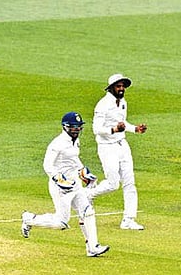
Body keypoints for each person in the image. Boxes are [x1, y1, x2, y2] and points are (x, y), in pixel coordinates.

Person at [21, 112, 110, 257]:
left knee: (87, 211)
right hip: (61, 188)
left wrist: (84, 172)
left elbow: (74, 159)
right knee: (61, 223)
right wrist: (59, 179)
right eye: (74, 127)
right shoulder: (57, 144)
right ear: (65, 127)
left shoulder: (75, 141)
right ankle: (29, 219)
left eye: (78, 127)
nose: (76, 130)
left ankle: (93, 247)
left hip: (75, 184)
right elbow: (47, 165)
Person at [87, 73, 147, 230]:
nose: (121, 89)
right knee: (113, 184)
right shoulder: (102, 105)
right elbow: (96, 129)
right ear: (111, 88)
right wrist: (114, 129)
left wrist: (135, 129)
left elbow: (122, 122)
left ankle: (128, 220)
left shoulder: (123, 102)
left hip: (122, 145)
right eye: (118, 86)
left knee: (130, 183)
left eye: (123, 86)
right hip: (107, 147)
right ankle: (87, 195)